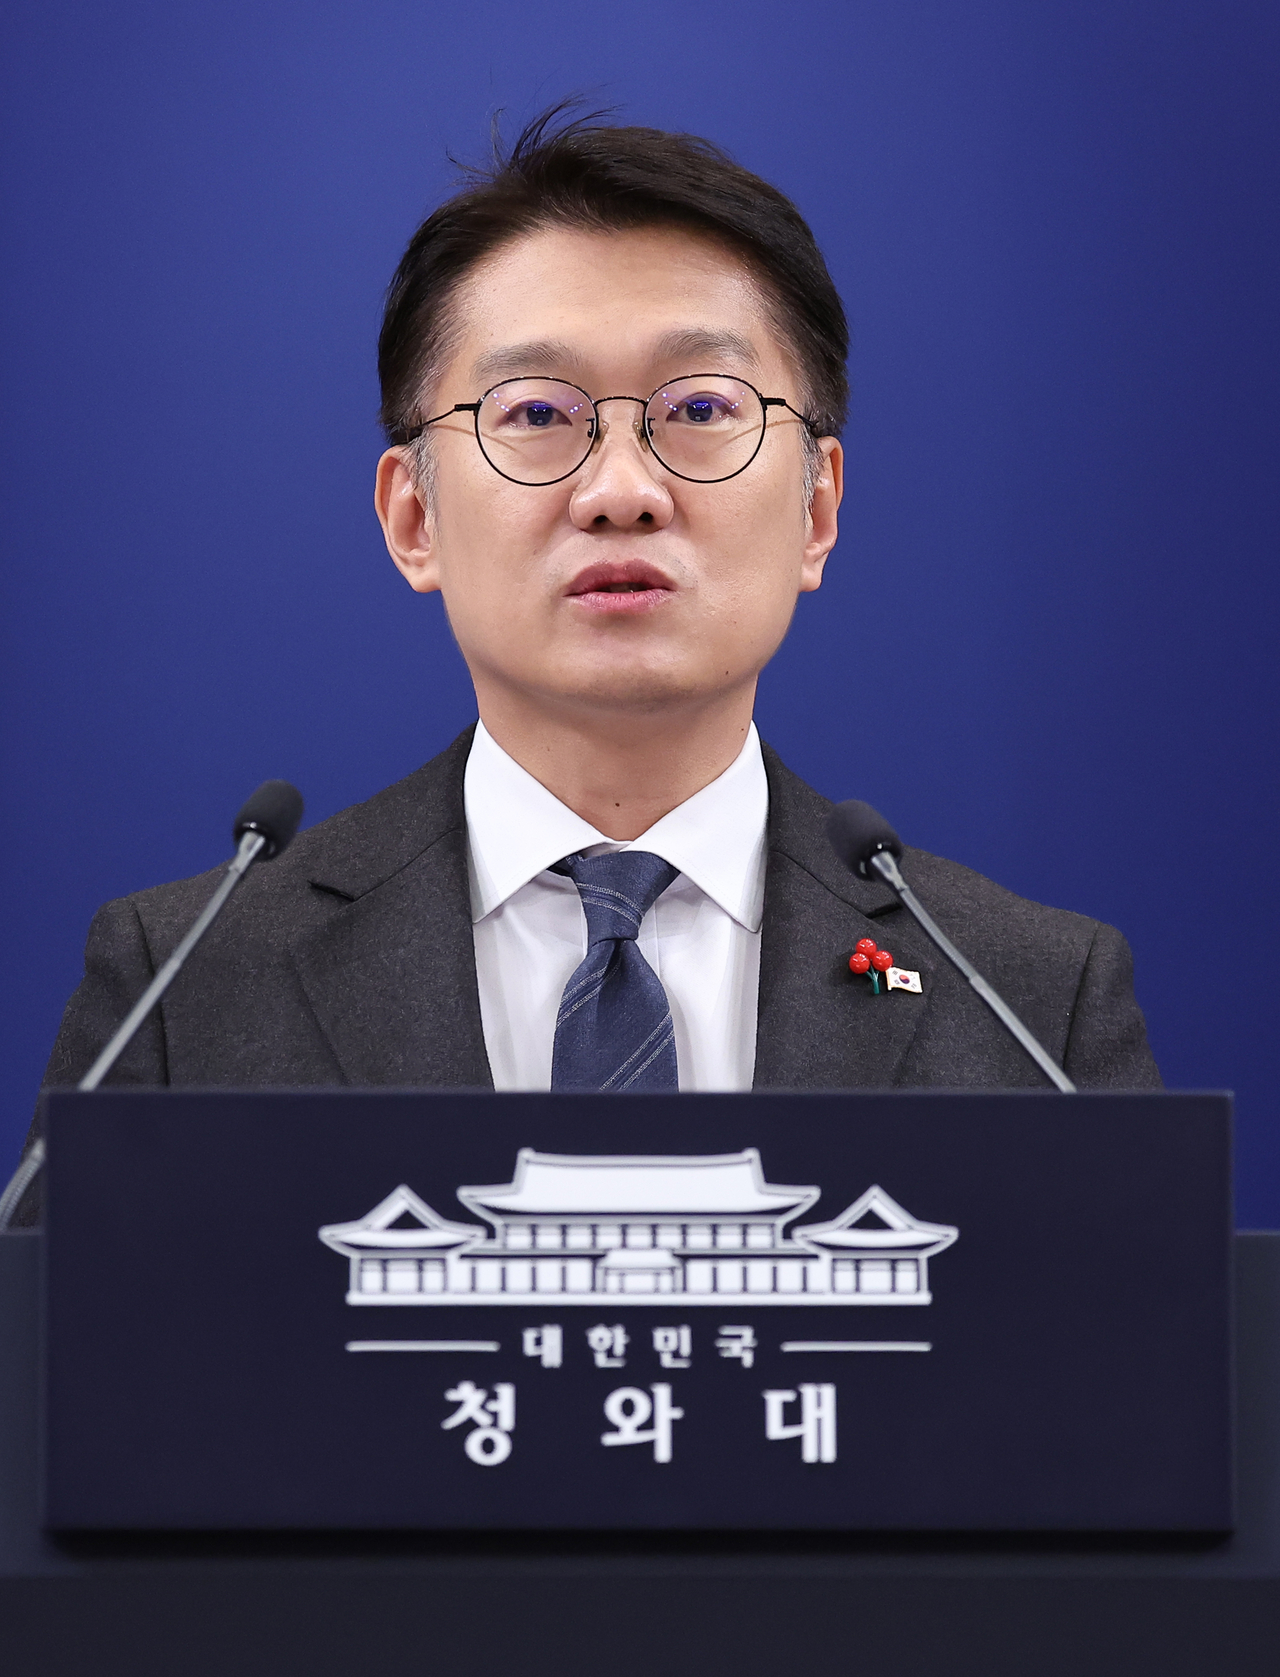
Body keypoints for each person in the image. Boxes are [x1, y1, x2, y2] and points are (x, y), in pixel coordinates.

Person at [25, 111, 1160, 1164]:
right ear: (413, 519)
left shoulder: (1030, 1001)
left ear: (816, 509)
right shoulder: (184, 989)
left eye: (701, 410)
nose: (621, 492)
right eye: (535, 413)